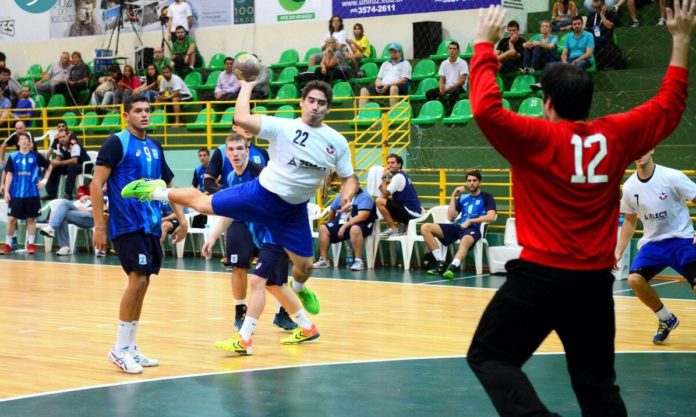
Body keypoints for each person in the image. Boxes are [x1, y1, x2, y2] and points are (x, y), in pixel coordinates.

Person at [466, 3, 694, 416]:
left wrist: (484, 45)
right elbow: (670, 103)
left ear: (547, 102)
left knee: (490, 356)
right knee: (597, 387)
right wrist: (680, 40)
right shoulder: (617, 135)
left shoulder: (533, 137)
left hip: (540, 278)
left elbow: (485, 107)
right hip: (591, 283)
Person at [120, 79, 359, 323]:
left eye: (321, 103)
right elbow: (242, 117)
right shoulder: (282, 127)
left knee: (306, 267)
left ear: (328, 108)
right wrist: (247, 84)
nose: (315, 107)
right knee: (204, 204)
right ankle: (153, 191)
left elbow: (349, 178)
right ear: (302, 103)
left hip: (293, 210)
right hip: (262, 194)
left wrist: (348, 194)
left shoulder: (336, 141)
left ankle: (298, 289)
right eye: (311, 101)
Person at [90, 94, 187, 374]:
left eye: (147, 110)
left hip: (152, 225)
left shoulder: (155, 146)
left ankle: (130, 346)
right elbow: (97, 185)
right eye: (138, 111)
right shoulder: (116, 143)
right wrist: (100, 225)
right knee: (136, 281)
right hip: (126, 225)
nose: (144, 115)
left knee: (143, 283)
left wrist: (181, 218)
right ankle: (119, 349)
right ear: (126, 115)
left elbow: (169, 184)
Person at [201, 134, 298, 334]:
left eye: (239, 149)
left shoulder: (262, 173)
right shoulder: (229, 178)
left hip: (271, 229)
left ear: (248, 151)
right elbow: (229, 210)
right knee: (240, 267)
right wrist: (212, 237)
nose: (235, 153)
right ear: (226, 153)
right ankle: (241, 314)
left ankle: (288, 315)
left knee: (276, 282)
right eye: (231, 150)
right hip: (243, 224)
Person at [615, 149, 696, 344]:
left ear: (651, 150)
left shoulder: (671, 176)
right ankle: (666, 319)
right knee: (634, 279)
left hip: (682, 240)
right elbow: (630, 220)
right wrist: (618, 252)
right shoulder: (629, 187)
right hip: (653, 244)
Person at [212, 239, 317, 355]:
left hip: (275, 240)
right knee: (274, 286)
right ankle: (306, 326)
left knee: (257, 282)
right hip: (269, 241)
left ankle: (244, 339)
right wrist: (213, 236)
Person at [422, 170, 497, 279]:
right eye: (469, 181)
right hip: (459, 227)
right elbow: (450, 217)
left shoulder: (487, 197)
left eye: (474, 181)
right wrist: (453, 196)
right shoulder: (463, 198)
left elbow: (491, 217)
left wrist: (470, 221)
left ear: (480, 182)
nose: (471, 183)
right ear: (466, 183)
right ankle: (440, 263)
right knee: (425, 227)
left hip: (474, 228)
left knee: (466, 239)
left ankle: (452, 267)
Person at [1, 132, 53, 255]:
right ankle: (8, 244)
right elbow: (9, 174)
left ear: (29, 143)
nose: (24, 141)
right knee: (12, 219)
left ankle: (31, 244)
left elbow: (50, 166)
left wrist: (44, 181)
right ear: (18, 143)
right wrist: (6, 191)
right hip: (16, 194)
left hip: (32, 194)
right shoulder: (13, 157)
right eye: (21, 139)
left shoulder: (35, 156)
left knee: (31, 219)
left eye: (26, 139)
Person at [313, 173, 377, 271]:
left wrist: (344, 227)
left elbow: (362, 217)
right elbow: (332, 212)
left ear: (358, 185)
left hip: (361, 224)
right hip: (343, 223)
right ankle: (324, 260)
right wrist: (332, 227)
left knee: (354, 229)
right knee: (323, 228)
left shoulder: (365, 197)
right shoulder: (341, 196)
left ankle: (358, 261)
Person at [376, 153, 424, 238]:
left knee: (379, 201)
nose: (390, 165)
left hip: (410, 213)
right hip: (414, 211)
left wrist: (383, 177)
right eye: (388, 163)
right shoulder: (402, 174)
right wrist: (386, 182)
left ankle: (393, 228)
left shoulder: (398, 177)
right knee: (386, 201)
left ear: (399, 164)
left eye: (393, 163)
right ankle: (401, 226)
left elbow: (386, 193)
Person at [359, 43, 411, 108]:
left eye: (395, 51)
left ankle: (393, 113)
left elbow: (404, 80)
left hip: (399, 87)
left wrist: (388, 84)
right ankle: (361, 114)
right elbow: (379, 78)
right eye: (391, 51)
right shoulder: (385, 63)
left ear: (399, 52)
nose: (393, 53)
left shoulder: (405, 63)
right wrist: (378, 85)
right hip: (384, 86)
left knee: (393, 88)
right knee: (364, 90)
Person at [425, 41, 469, 114]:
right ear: (448, 50)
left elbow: (462, 81)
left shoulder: (463, 63)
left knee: (453, 93)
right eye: (450, 48)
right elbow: (441, 79)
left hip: (459, 87)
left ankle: (448, 114)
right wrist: (441, 88)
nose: (452, 51)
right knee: (429, 93)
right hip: (447, 86)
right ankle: (433, 112)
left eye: (454, 49)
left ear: (458, 51)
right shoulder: (444, 63)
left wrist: (449, 89)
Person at [44, 129, 89, 201]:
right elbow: (59, 157)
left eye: (63, 137)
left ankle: (68, 194)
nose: (61, 139)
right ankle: (51, 193)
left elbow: (74, 161)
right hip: (71, 165)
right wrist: (54, 163)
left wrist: (59, 163)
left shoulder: (74, 144)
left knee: (71, 167)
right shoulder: (59, 145)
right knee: (54, 167)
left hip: (83, 165)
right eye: (60, 137)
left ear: (68, 136)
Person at [586, 0, 626, 70]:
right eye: (594, 7)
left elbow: (609, 27)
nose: (595, 9)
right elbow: (587, 30)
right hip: (593, 40)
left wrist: (602, 16)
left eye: (597, 7)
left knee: (601, 40)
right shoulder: (591, 16)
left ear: (603, 5)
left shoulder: (610, 14)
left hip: (607, 41)